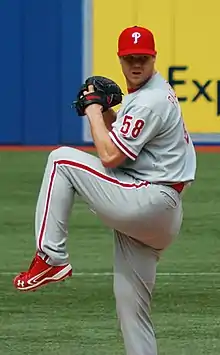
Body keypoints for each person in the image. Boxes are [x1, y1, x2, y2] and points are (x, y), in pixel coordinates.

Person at [13, 25, 197, 355]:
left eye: (142, 58)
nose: (136, 65)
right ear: (121, 59)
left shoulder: (149, 101)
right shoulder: (152, 94)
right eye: (129, 59)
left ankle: (52, 257)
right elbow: (124, 145)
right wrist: (108, 112)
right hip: (158, 214)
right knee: (132, 311)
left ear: (154, 58)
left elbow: (110, 157)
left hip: (148, 201)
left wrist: (94, 111)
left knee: (60, 160)